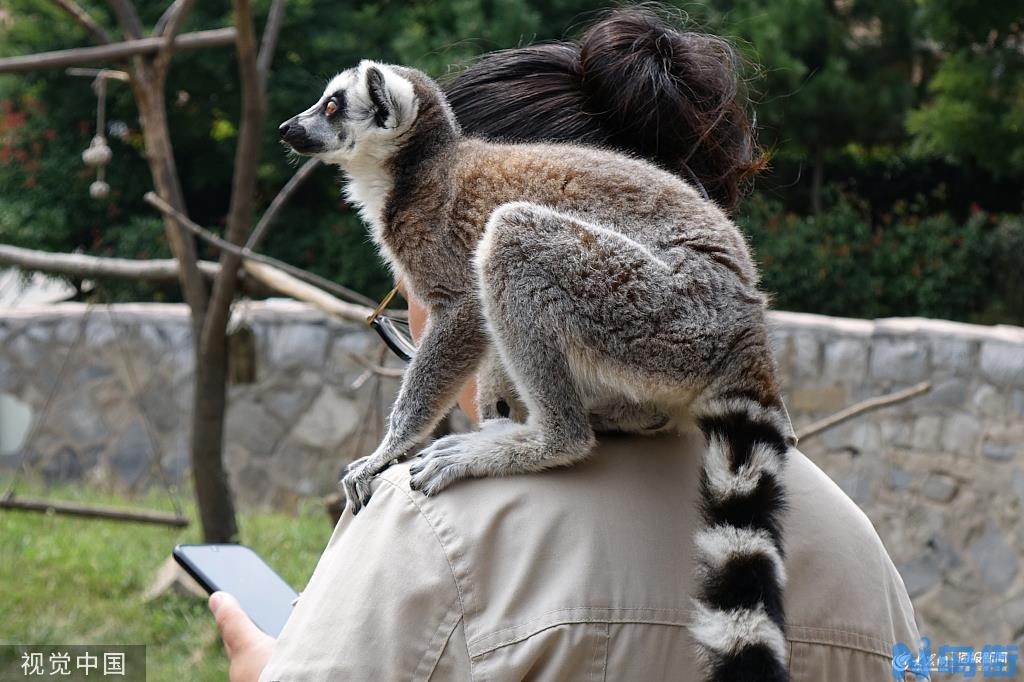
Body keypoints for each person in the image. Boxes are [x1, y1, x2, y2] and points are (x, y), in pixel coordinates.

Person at [210, 8, 923, 681]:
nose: (417, 317)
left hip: (646, 344)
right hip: (688, 362)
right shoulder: (854, 547)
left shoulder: (435, 528)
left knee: (509, 250)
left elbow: (469, 310)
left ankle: (554, 432)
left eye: (408, 299)